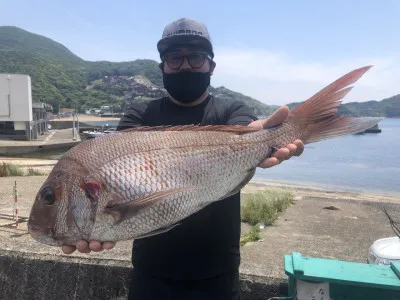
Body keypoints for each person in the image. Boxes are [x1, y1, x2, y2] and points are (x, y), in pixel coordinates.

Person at [62, 18, 304, 299]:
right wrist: (95, 222)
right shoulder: (139, 116)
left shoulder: (231, 109)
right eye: (174, 58)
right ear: (162, 67)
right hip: (151, 272)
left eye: (196, 57)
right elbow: (114, 179)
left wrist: (262, 140)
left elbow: (245, 132)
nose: (186, 65)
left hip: (218, 271)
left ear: (211, 66)